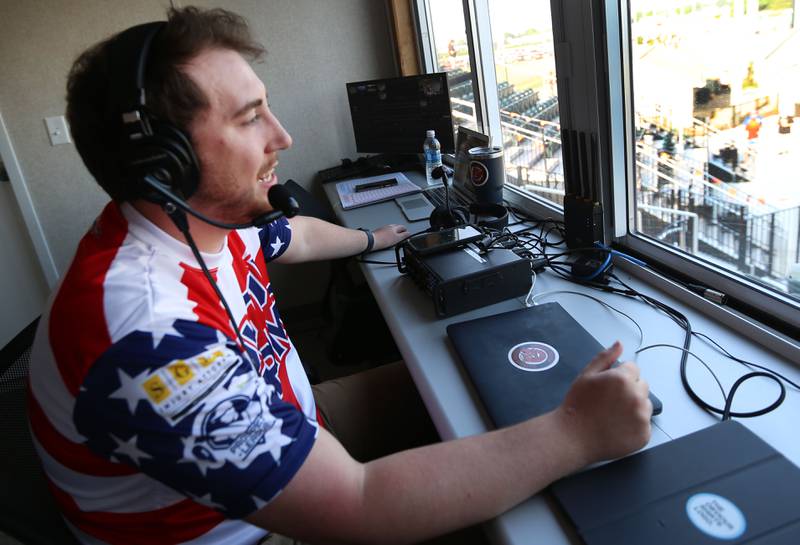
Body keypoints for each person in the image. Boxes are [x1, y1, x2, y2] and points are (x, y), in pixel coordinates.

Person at [28, 6, 652, 545]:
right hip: (250, 528)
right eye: (250, 119)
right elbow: (360, 501)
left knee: (483, 385)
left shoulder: (204, 220)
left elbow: (291, 236)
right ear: (166, 163)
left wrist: (374, 238)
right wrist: (574, 435)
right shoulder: (146, 334)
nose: (283, 136)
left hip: (296, 421)